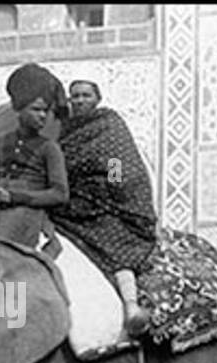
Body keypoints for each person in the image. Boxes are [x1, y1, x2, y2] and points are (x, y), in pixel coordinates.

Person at [49, 79, 156, 337]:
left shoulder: (108, 126)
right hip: (70, 203)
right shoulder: (65, 131)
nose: (80, 100)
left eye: (86, 95)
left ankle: (131, 305)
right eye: (74, 96)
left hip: (103, 200)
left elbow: (117, 162)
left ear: (97, 98)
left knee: (114, 241)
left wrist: (111, 190)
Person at [0, 63, 69, 252]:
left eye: (46, 111)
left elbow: (60, 194)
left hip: (26, 215)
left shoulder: (49, 148)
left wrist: (14, 197)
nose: (43, 116)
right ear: (19, 110)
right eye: (36, 109)